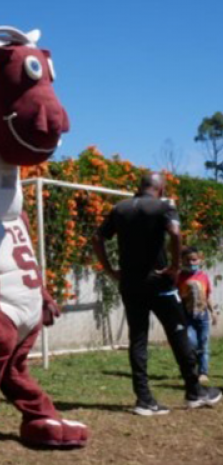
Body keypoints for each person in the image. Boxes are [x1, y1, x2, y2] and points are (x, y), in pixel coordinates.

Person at [93, 172, 221, 416]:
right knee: (179, 333)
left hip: (130, 283)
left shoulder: (120, 208)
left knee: (138, 339)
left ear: (139, 188)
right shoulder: (163, 207)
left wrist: (110, 270)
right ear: (160, 190)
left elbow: (97, 237)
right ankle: (194, 392)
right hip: (159, 283)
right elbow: (174, 233)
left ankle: (144, 399)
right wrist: (174, 266)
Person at [178, 246, 218, 384]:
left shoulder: (203, 277)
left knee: (204, 344)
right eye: (187, 260)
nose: (191, 263)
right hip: (187, 317)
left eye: (194, 260)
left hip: (203, 318)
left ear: (199, 260)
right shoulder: (179, 277)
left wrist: (213, 313)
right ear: (182, 261)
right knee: (191, 343)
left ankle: (203, 372)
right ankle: (191, 369)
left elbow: (207, 296)